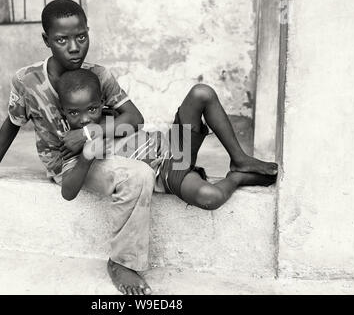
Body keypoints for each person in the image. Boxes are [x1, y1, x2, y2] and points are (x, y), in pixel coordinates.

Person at [0, 0, 156, 295]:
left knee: (161, 145)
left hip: (101, 150)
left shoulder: (99, 75)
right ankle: (122, 262)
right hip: (69, 165)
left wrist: (89, 132)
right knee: (138, 176)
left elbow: (134, 118)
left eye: (81, 37)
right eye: (62, 40)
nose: (74, 47)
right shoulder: (27, 80)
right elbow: (12, 123)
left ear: (88, 33)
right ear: (46, 40)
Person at [55, 69, 278, 294]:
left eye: (92, 109)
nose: (84, 119)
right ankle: (236, 178)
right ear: (63, 112)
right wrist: (86, 157)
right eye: (74, 113)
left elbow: (135, 121)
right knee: (211, 197)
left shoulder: (109, 119)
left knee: (202, 93)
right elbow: (68, 191)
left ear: (101, 103)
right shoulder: (73, 145)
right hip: (167, 172)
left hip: (173, 146)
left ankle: (239, 160)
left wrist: (93, 131)